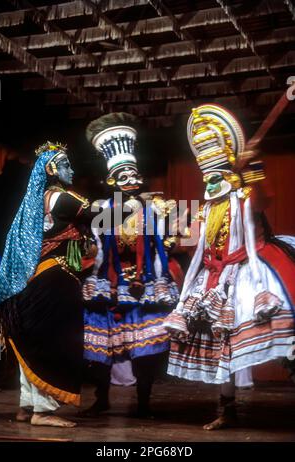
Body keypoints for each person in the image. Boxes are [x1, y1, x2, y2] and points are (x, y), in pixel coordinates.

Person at [164, 104, 295, 430]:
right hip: (215, 279)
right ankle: (227, 409)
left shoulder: (245, 199)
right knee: (222, 346)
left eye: (217, 176)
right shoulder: (207, 210)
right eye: (207, 177)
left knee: (284, 335)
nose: (210, 183)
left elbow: (264, 198)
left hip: (253, 272)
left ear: (231, 176)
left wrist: (251, 166)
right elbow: (198, 248)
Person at [81, 113, 183, 418]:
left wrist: (159, 271)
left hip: (142, 285)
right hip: (111, 285)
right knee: (103, 350)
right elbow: (98, 249)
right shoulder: (104, 210)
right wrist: (96, 276)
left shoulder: (152, 210)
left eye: (134, 176)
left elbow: (161, 248)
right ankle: (102, 398)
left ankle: (143, 402)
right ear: (112, 180)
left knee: (145, 349)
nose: (131, 181)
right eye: (123, 177)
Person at [0, 141, 98, 427]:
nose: (72, 169)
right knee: (53, 345)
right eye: (66, 164)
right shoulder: (62, 199)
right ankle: (41, 412)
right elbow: (104, 216)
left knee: (33, 345)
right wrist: (134, 204)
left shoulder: (34, 202)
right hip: (51, 282)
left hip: (32, 282)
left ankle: (26, 408)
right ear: (52, 169)